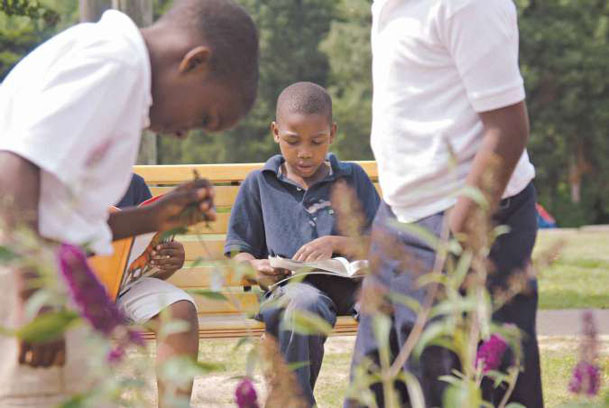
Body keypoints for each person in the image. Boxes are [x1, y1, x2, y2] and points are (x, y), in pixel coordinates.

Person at [0, 0, 259, 406]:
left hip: (44, 273)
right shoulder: (113, 67)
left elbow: (66, 222)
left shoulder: (113, 68)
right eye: (205, 117)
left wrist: (152, 217)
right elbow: (12, 169)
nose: (185, 134)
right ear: (194, 63)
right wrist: (38, 297)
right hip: (24, 278)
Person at [347, 0, 543, 407]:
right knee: (376, 387)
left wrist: (456, 242)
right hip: (398, 215)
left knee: (460, 389)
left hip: (462, 221)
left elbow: (508, 130)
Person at [225, 82, 380, 407]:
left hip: (354, 286)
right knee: (303, 305)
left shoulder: (352, 178)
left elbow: (385, 244)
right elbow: (239, 253)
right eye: (293, 142)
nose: (305, 152)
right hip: (293, 290)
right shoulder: (259, 184)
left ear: (333, 133)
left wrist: (336, 242)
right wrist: (255, 267)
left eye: (317, 141)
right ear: (275, 132)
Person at [115, 173, 198, 406]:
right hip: (72, 289)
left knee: (180, 310)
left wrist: (168, 260)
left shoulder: (133, 184)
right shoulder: (55, 180)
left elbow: (148, 258)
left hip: (125, 286)